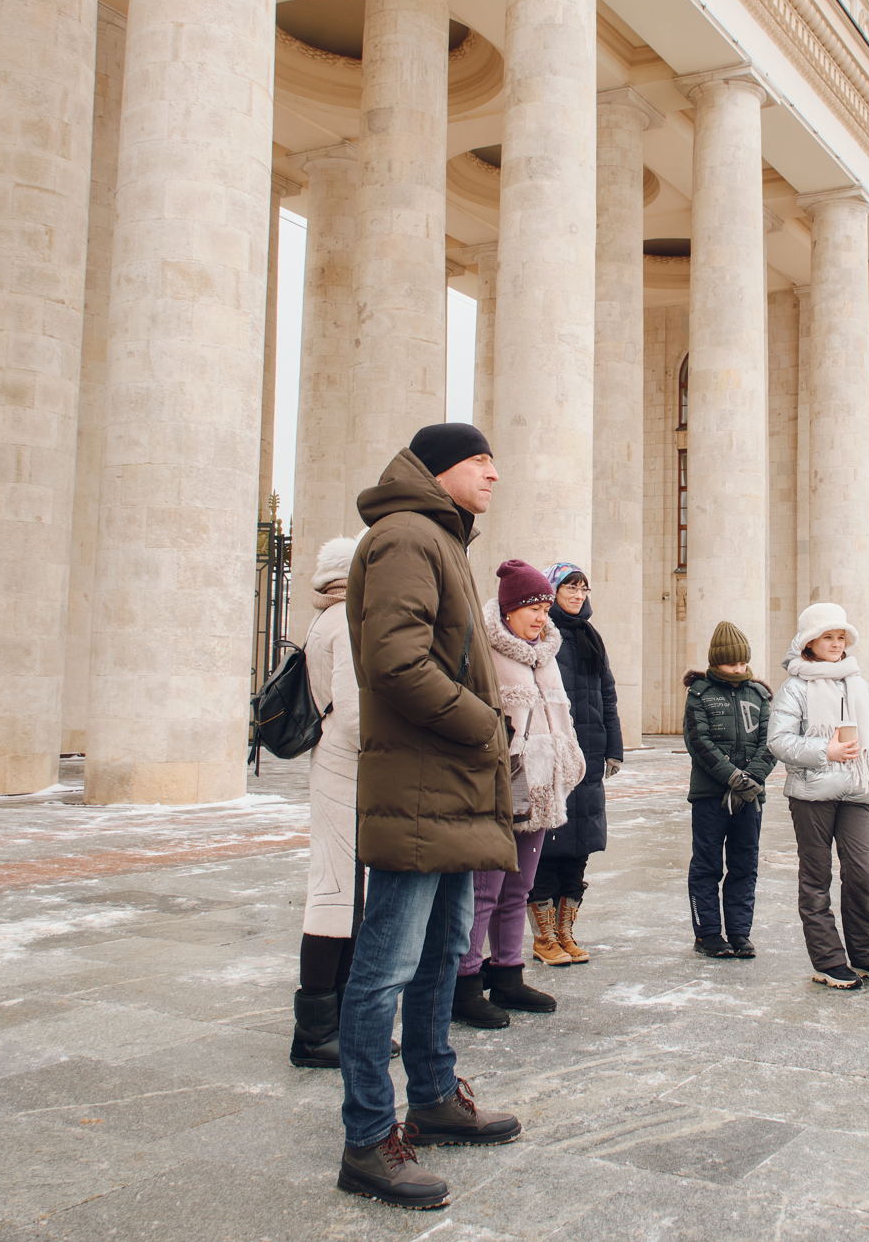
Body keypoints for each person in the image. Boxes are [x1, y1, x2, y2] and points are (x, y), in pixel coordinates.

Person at [336, 424, 524, 1210]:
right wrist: (484, 723)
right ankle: (369, 1138)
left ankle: (437, 1095)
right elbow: (398, 661)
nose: (493, 473)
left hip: (447, 788)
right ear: (442, 467)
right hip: (420, 787)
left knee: (445, 948)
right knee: (386, 964)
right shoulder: (407, 538)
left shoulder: (440, 538)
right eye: (481, 460)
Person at [452, 561, 580, 1028]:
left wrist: (571, 762)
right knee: (482, 890)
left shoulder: (545, 654)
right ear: (508, 609)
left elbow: (560, 719)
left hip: (543, 790)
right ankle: (464, 981)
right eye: (532, 606)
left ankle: (507, 972)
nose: (540, 616)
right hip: (500, 785)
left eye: (545, 606)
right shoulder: (487, 650)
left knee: (519, 887)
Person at [768, 602, 869, 989]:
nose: (837, 643)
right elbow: (778, 740)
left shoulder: (857, 683)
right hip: (812, 794)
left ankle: (866, 956)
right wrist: (826, 750)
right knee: (816, 877)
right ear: (810, 641)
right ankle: (828, 961)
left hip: (856, 791)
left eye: (841, 637)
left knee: (863, 873)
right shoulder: (796, 686)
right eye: (829, 636)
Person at [290, 535, 374, 1068]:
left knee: (343, 895)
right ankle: (316, 1033)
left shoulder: (327, 616)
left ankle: (336, 1023)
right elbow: (356, 713)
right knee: (336, 894)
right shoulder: (346, 621)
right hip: (347, 767)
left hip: (337, 765)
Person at [529, 561, 623, 964]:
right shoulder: (542, 634)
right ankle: (544, 938)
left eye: (583, 588)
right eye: (570, 586)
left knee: (580, 847)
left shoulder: (590, 636)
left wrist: (613, 748)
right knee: (548, 846)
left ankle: (566, 933)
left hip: (587, 757)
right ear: (552, 591)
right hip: (551, 757)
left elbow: (607, 695)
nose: (578, 594)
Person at [683, 621, 775, 958]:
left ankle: (739, 932)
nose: (739, 669)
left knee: (744, 864)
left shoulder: (760, 694)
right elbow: (699, 742)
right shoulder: (700, 694)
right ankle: (708, 934)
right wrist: (732, 777)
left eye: (742, 663)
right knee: (707, 864)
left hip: (750, 797)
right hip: (711, 796)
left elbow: (770, 742)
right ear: (716, 662)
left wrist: (751, 779)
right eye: (732, 663)